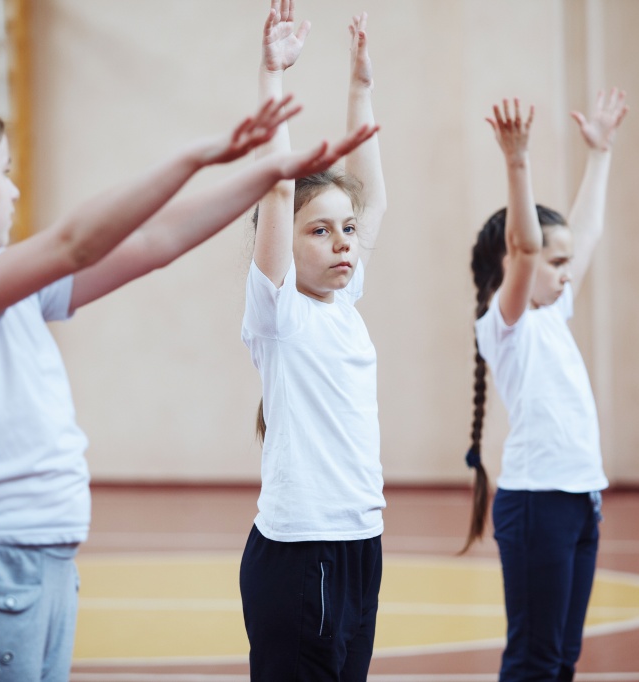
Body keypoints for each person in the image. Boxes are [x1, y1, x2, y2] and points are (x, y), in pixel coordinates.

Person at [0, 95, 373, 682]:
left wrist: (266, 174)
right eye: (6, 172)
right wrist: (194, 157)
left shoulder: (8, 289)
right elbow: (75, 242)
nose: (16, 190)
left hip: (36, 567)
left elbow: (153, 244)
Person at [238, 1, 386, 679]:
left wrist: (361, 86)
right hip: (304, 552)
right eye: (319, 230)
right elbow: (277, 190)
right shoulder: (279, 314)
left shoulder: (343, 302)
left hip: (359, 542)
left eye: (346, 230)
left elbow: (372, 198)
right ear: (285, 245)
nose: (342, 243)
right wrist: (273, 75)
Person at [463, 90, 628, 681]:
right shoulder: (505, 326)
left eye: (565, 264)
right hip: (538, 505)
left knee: (562, 658)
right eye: (553, 265)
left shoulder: (553, 311)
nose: (566, 272)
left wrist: (601, 155)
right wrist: (517, 161)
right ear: (514, 265)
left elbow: (583, 234)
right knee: (534, 660)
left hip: (580, 498)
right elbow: (528, 245)